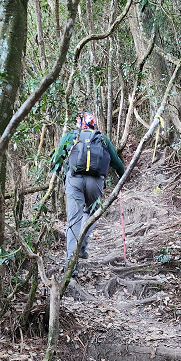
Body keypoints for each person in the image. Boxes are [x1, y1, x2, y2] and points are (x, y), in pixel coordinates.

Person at [50, 113, 125, 275]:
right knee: (92, 213)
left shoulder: (70, 136)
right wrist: (121, 176)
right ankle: (82, 244)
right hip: (96, 182)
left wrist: (65, 175)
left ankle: (71, 265)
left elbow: (56, 160)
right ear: (93, 125)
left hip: (74, 181)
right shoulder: (102, 138)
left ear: (79, 124)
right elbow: (117, 163)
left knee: (73, 220)